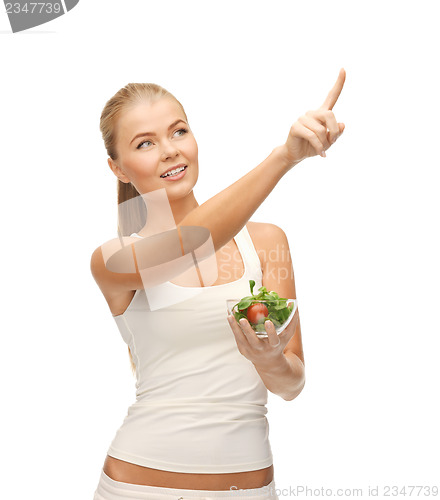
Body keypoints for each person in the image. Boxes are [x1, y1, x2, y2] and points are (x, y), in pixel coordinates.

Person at [90, 69, 346, 499]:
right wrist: (284, 156)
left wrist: (268, 360)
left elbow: (292, 385)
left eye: (179, 131)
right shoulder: (114, 260)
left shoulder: (267, 243)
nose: (170, 151)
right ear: (117, 167)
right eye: (145, 143)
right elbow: (192, 240)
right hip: (138, 486)